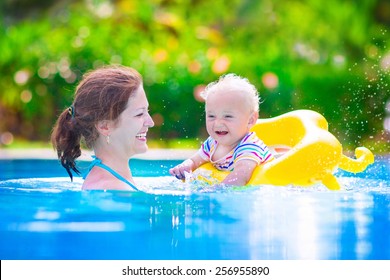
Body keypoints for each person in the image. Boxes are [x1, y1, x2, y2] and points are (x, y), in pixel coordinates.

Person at [51, 65, 154, 191]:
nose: (151, 122)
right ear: (105, 126)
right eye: (139, 114)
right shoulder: (113, 190)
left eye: (147, 111)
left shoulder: (112, 180)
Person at [169, 74, 274, 186]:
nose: (218, 123)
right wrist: (184, 167)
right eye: (211, 116)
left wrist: (216, 190)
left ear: (250, 120)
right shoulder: (212, 143)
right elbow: (195, 161)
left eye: (227, 116)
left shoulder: (250, 147)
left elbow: (241, 176)